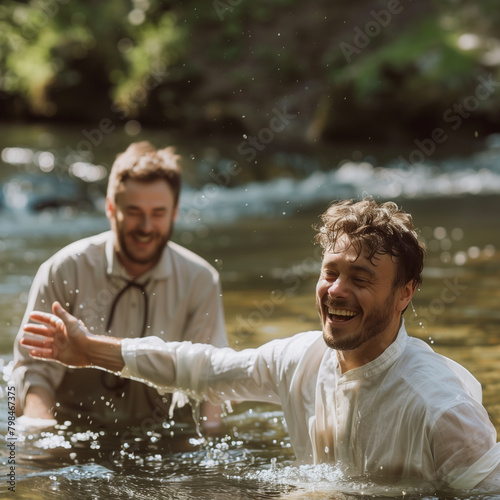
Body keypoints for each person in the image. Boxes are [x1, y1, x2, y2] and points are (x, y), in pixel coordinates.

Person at [20, 198, 500, 491]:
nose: (336, 290)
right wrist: (88, 351)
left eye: (360, 278)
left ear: (405, 294)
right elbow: (203, 367)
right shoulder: (302, 359)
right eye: (330, 272)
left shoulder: (442, 412)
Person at [13, 141, 227, 429]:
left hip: (161, 433)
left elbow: (209, 377)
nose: (147, 226)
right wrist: (43, 434)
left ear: (175, 212)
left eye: (159, 213)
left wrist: (210, 448)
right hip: (73, 428)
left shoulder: (201, 280)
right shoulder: (62, 270)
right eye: (135, 212)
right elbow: (33, 369)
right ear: (111, 208)